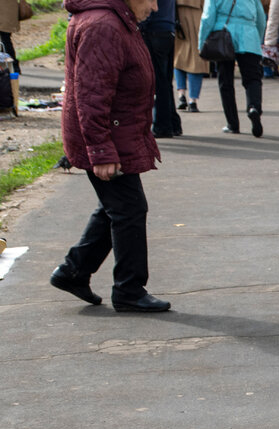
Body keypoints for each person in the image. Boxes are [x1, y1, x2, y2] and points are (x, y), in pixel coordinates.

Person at [51, 0, 170, 312]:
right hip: (106, 137)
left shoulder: (113, 19)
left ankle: (73, 271)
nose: (156, 7)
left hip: (114, 133)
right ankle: (129, 290)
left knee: (117, 206)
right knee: (129, 208)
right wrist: (101, 151)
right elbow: (92, 95)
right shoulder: (103, 25)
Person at [199, 0, 266, 136]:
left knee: (226, 82)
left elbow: (207, 18)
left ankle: (232, 123)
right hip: (249, 35)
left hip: (223, 35)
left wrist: (202, 43)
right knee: (253, 78)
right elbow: (261, 18)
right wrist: (256, 38)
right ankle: (254, 107)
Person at [141, 0, 183, 138]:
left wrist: (141, 26)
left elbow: (149, 7)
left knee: (158, 81)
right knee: (165, 81)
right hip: (167, 29)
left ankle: (162, 125)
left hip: (154, 30)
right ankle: (173, 122)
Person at [173, 0, 207, 111]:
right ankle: (193, 100)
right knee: (197, 57)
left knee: (179, 55)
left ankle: (181, 95)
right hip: (198, 11)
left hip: (177, 12)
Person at [0, 0, 22, 79]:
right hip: (8, 11)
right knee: (5, 40)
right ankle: (13, 66)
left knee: (5, 40)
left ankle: (13, 65)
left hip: (6, 11)